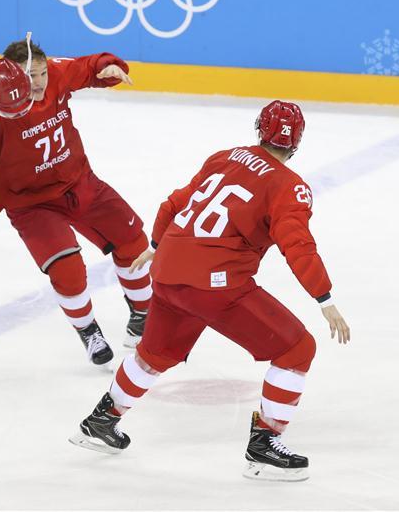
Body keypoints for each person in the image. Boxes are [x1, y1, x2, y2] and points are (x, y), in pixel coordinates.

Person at [70, 100, 351, 482]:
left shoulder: (225, 157)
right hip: (215, 284)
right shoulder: (290, 187)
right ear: (297, 143)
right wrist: (324, 298)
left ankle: (102, 421)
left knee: (154, 353)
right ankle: (265, 445)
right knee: (297, 349)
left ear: (259, 129)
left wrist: (156, 245)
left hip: (167, 272)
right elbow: (297, 245)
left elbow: (172, 204)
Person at [0, 35, 152, 367]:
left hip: (79, 183)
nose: (39, 81)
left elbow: (89, 66)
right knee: (68, 271)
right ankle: (88, 331)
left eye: (41, 73)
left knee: (133, 241)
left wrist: (109, 67)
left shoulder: (55, 74)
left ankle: (142, 314)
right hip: (31, 204)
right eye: (30, 76)